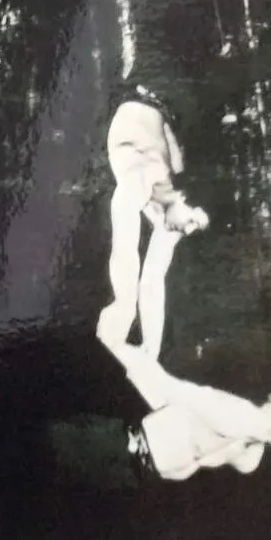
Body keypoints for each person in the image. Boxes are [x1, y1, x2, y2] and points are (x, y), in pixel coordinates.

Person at [88, 335, 271, 482]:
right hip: (111, 446)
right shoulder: (237, 415)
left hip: (129, 474)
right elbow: (165, 386)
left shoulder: (250, 455)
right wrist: (114, 344)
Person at [96, 92, 209, 360]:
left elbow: (153, 281)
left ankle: (149, 347)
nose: (187, 230)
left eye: (192, 228)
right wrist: (124, 307)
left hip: (151, 114)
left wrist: (151, 349)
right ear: (184, 198)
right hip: (141, 95)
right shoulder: (144, 176)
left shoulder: (171, 219)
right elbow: (124, 250)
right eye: (192, 221)